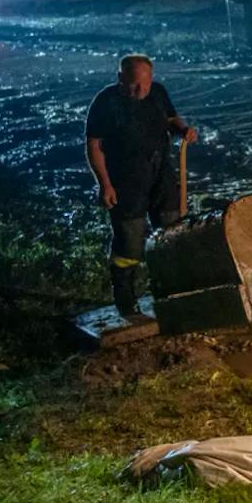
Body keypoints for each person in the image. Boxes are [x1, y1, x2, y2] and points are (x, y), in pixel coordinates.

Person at [84, 54, 197, 317]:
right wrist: (105, 185)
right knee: (130, 245)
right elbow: (94, 146)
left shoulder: (157, 93)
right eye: (134, 85)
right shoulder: (106, 102)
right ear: (120, 78)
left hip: (161, 176)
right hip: (125, 181)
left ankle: (170, 294)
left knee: (170, 236)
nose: (140, 91)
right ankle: (126, 303)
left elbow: (170, 119)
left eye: (145, 85)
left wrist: (184, 130)